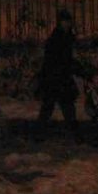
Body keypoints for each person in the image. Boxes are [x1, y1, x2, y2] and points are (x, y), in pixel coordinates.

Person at [34, 8, 79, 138]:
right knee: (56, 105)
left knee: (59, 106)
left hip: (58, 77)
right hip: (55, 77)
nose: (66, 24)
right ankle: (71, 131)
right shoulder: (58, 38)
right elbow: (58, 59)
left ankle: (41, 132)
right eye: (64, 21)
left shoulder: (64, 37)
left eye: (68, 21)